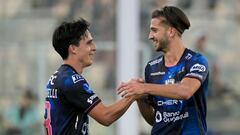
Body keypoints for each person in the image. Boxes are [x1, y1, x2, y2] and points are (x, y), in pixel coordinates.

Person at [117, 6, 209, 135]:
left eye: (154, 30)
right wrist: (140, 98)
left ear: (171, 31)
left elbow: (186, 90)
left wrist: (144, 88)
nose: (150, 36)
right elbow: (154, 120)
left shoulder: (196, 61)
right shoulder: (152, 67)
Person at [44, 18, 136, 135]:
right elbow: (105, 116)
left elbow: (46, 124)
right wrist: (134, 94)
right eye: (89, 43)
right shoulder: (71, 81)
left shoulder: (56, 78)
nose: (94, 47)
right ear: (73, 48)